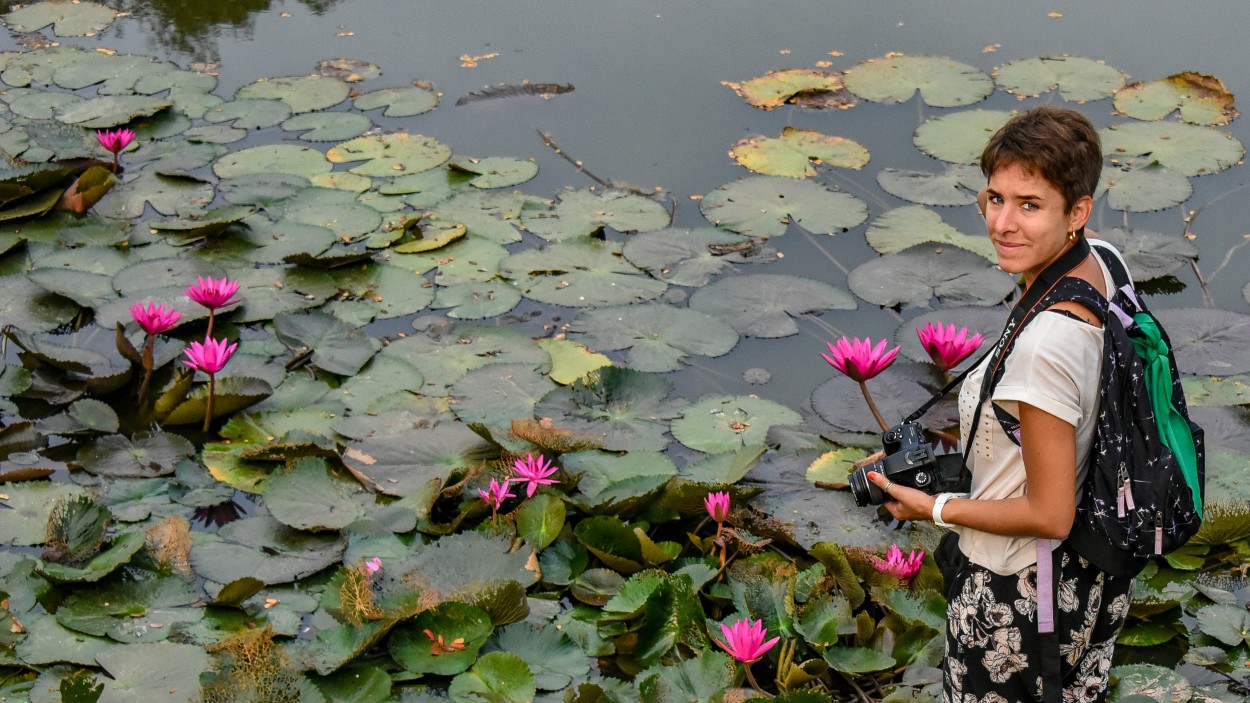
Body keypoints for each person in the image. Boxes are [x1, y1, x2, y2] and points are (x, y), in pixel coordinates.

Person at [867, 106, 1132, 703]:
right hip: (1091, 574)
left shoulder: (1046, 347)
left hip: (1018, 596)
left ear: (1078, 211)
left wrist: (934, 507)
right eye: (994, 198)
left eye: (1029, 204)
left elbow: (1048, 514)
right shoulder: (1103, 264)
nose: (1003, 223)